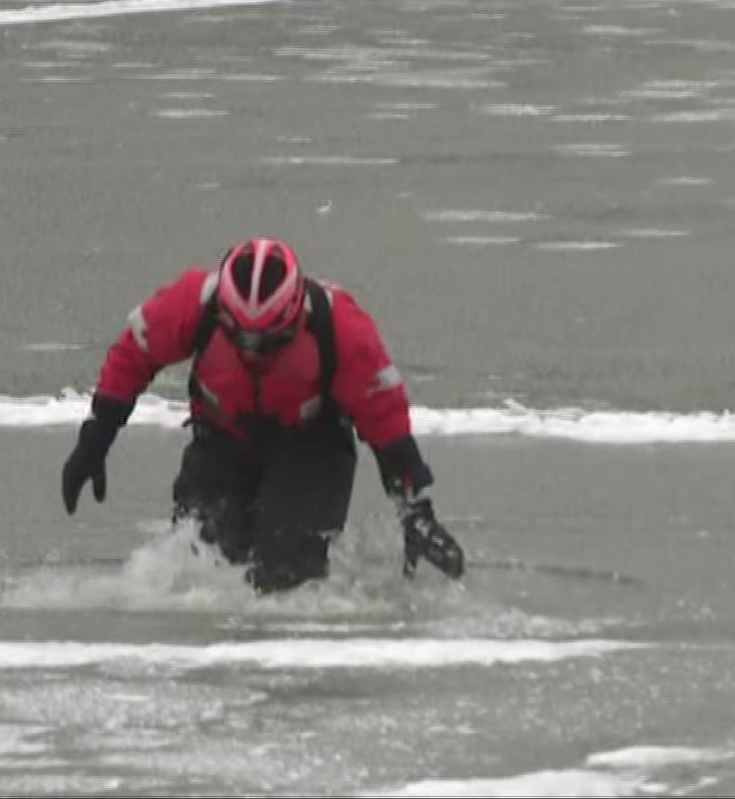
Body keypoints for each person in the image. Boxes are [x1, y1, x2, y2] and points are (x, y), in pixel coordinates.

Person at [60, 237, 464, 590]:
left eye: (268, 340)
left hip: (312, 444)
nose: (252, 351)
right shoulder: (190, 302)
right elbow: (133, 355)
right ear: (222, 313)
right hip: (221, 440)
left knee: (286, 576)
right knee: (205, 565)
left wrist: (416, 511)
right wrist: (95, 439)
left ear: (295, 315)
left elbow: (385, 421)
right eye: (241, 337)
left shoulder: (343, 330)